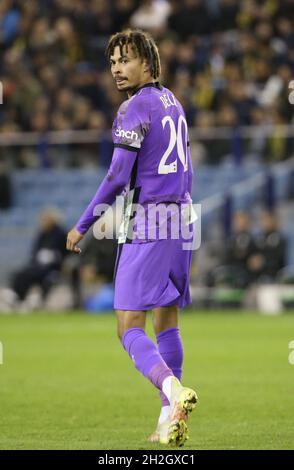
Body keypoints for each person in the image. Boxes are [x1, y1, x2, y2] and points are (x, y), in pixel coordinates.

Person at [66, 29, 197, 447]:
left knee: (127, 327)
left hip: (151, 219)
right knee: (167, 321)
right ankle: (167, 420)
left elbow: (117, 177)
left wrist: (83, 223)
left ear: (148, 62)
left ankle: (174, 390)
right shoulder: (172, 100)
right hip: (183, 218)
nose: (117, 68)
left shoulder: (132, 108)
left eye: (126, 60)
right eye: (112, 62)